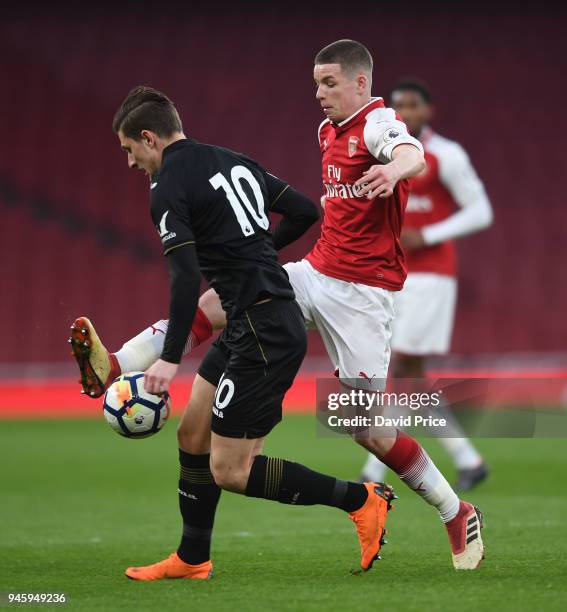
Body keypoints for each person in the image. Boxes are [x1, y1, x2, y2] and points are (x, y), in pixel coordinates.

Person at [71, 40, 484, 571]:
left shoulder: (377, 125)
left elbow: (410, 151)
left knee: (368, 428)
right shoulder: (326, 131)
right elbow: (310, 211)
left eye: (329, 83)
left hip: (363, 295)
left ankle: (455, 510)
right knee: (221, 299)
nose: (319, 94)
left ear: (361, 83)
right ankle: (117, 365)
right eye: (315, 83)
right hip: (317, 272)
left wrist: (396, 170)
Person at [359, 80, 493, 491]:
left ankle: (372, 472)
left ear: (428, 111)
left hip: (431, 276)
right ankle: (468, 460)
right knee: (412, 375)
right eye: (399, 106)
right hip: (392, 273)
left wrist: (430, 235)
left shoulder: (446, 154)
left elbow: (481, 211)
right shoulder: (384, 153)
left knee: (397, 367)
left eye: (413, 105)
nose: (406, 112)